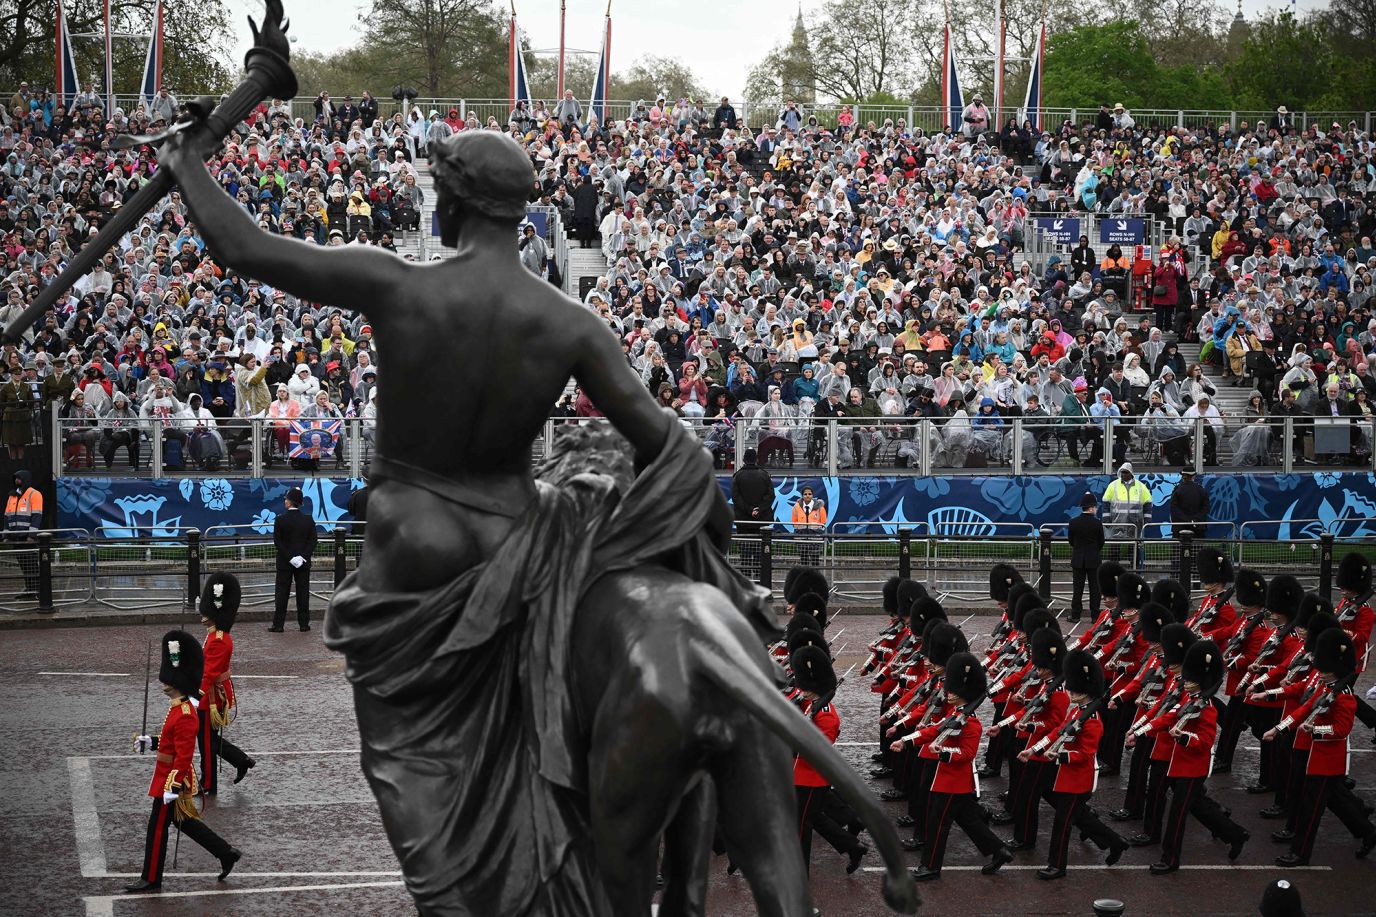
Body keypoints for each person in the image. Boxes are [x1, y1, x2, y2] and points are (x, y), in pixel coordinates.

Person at [164, 128, 785, 914]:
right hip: (517, 553)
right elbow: (672, 448)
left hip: (412, 555)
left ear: (452, 200)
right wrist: (713, 534)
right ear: (520, 213)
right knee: (519, 759)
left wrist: (184, 162)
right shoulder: (571, 323)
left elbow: (244, 247)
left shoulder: (397, 283)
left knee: (422, 791)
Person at [125, 630, 240, 893]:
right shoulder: (179, 707)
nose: (165, 682)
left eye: (169, 679)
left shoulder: (186, 713)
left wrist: (172, 785)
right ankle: (226, 853)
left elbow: (185, 755)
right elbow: (172, 742)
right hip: (167, 776)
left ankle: (151, 877)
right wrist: (150, 742)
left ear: (178, 681)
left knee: (157, 828)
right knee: (183, 822)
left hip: (171, 779)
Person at [1263, 627, 1376, 866]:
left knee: (1311, 810)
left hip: (1326, 760)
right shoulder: (1326, 687)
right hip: (1315, 757)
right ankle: (1368, 832)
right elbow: (1304, 709)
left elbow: (1342, 729)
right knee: (1337, 802)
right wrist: (1279, 729)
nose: (1320, 672)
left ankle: (1300, 853)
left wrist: (1316, 731)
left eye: (1325, 670)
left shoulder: (1344, 695)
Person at [1145, 640, 1250, 873]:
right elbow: (1169, 717)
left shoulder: (1208, 707)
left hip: (1193, 768)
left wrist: (1183, 737)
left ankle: (1170, 859)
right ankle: (1235, 834)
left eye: (1191, 680)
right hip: (1180, 764)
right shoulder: (1189, 698)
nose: (1186, 682)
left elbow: (1205, 742)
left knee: (1177, 814)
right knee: (1198, 807)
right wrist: (1143, 730)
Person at [907, 651, 1012, 880]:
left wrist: (944, 752)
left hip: (952, 782)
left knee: (938, 825)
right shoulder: (957, 714)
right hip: (947, 780)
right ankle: (999, 851)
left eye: (953, 690)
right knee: (969, 820)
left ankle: (931, 866)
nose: (948, 693)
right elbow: (933, 730)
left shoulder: (971, 723)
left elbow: (967, 754)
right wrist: (907, 741)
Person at [1024, 649, 1128, 879]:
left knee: (1062, 825)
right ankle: (1116, 842)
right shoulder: (1076, 712)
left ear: (1086, 692)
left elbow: (1085, 754)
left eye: (1075, 690)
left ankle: (1057, 866)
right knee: (1081, 817)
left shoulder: (1093, 721)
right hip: (1065, 777)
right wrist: (1034, 749)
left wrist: (1059, 756)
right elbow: (1056, 733)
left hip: (1078, 781)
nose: (1071, 692)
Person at [791, 645, 868, 875]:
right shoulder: (810, 705)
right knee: (814, 818)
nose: (801, 689)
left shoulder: (826, 715)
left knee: (800, 824)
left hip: (813, 778)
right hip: (801, 774)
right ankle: (852, 846)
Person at [197, 573, 255, 795]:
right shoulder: (215, 636)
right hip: (212, 693)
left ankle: (208, 784)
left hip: (211, 696)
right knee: (209, 739)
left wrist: (194, 696)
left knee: (206, 743)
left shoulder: (219, 640)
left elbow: (209, 673)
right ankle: (241, 760)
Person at [271, 487, 316, 633]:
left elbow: (278, 542)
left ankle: (278, 625)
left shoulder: (280, 519)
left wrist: (290, 557)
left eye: (286, 499)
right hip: (303, 563)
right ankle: (304, 624)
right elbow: (312, 541)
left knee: (282, 593)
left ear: (290, 502)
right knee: (303, 593)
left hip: (285, 563)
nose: (285, 501)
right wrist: (302, 557)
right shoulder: (308, 519)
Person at [731, 448, 773, 580]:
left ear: (744, 459)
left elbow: (736, 498)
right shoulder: (764, 475)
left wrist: (750, 510)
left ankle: (746, 577)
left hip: (743, 520)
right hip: (761, 520)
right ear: (756, 459)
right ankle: (760, 578)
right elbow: (770, 496)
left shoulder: (738, 476)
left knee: (745, 550)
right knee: (760, 550)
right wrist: (758, 509)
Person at [3, 469, 43, 600]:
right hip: (16, 537)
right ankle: (30, 589)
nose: (16, 480)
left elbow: (37, 516)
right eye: (15, 478)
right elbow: (6, 516)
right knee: (24, 565)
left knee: (31, 564)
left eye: (19, 478)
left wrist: (31, 535)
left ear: (25, 479)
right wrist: (6, 535)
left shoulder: (34, 494)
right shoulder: (12, 495)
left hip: (27, 538)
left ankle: (37, 590)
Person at [1067, 493, 1105, 623]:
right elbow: (1101, 542)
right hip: (1093, 559)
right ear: (1091, 507)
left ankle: (1075, 615)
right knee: (1095, 589)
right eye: (1095, 507)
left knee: (1077, 589)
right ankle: (1095, 616)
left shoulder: (1073, 522)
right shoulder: (1097, 523)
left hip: (1078, 559)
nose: (1096, 509)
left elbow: (1071, 541)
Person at [791, 485, 827, 567]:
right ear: (802, 496)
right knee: (804, 560)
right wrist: (799, 528)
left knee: (815, 560)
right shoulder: (796, 507)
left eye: (810, 494)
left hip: (815, 537)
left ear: (812, 495)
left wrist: (816, 529)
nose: (807, 496)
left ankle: (815, 574)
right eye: (805, 494)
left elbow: (823, 521)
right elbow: (794, 521)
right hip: (801, 537)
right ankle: (805, 574)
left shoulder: (820, 507)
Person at [1169, 469, 1209, 539]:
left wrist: (1186, 520)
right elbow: (1205, 508)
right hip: (1198, 526)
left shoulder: (1177, 490)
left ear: (1183, 476)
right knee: (1198, 545)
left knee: (1178, 545)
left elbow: (1174, 508)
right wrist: (1195, 520)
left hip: (1180, 526)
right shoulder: (1201, 490)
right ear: (1193, 476)